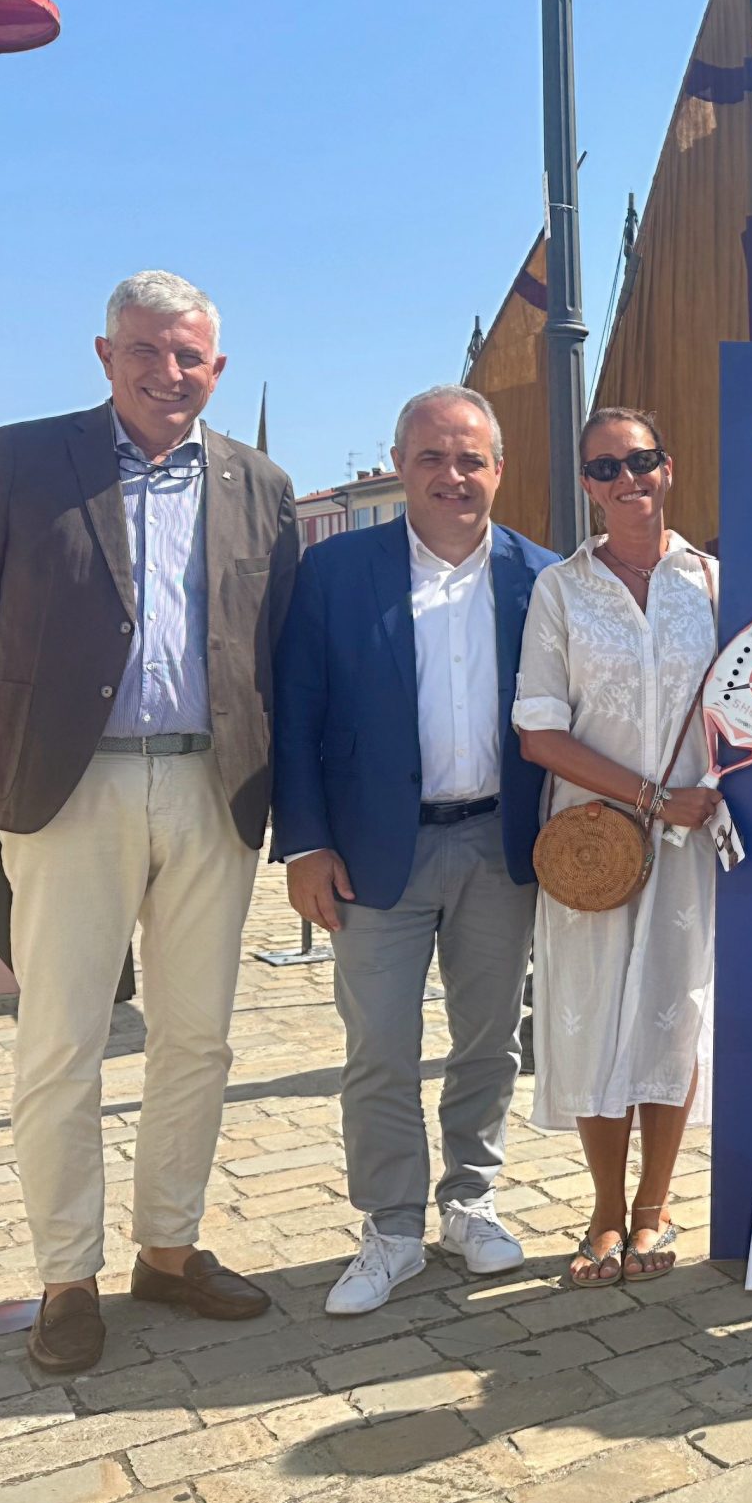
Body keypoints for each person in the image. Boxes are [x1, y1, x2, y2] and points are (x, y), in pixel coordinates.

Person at [0, 271, 296, 1373]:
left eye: (188, 356)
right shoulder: (19, 464)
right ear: (104, 353)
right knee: (61, 1041)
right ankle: (66, 1274)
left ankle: (168, 1250)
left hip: (210, 788)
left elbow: (270, 642)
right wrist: (45, 724)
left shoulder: (261, 485)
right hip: (68, 790)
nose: (166, 372)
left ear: (214, 369)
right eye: (146, 349)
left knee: (197, 1037)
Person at [272, 386, 559, 1314]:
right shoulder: (336, 574)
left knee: (488, 1043)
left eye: (471, 459)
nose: (453, 476)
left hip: (497, 845)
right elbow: (299, 718)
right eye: (433, 457)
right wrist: (305, 844)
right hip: (373, 853)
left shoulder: (541, 579)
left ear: (499, 470)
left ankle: (469, 1202)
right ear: (402, 466)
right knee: (381, 1047)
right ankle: (392, 1226)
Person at [514, 407, 723, 1287]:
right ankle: (603, 1207)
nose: (625, 478)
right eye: (604, 468)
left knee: (674, 1015)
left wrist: (703, 800)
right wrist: (645, 797)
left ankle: (655, 1206)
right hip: (593, 843)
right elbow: (537, 730)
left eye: (640, 460)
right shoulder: (560, 590)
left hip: (690, 842)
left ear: (667, 468)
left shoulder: (716, 583)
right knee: (595, 1017)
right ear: (587, 485)